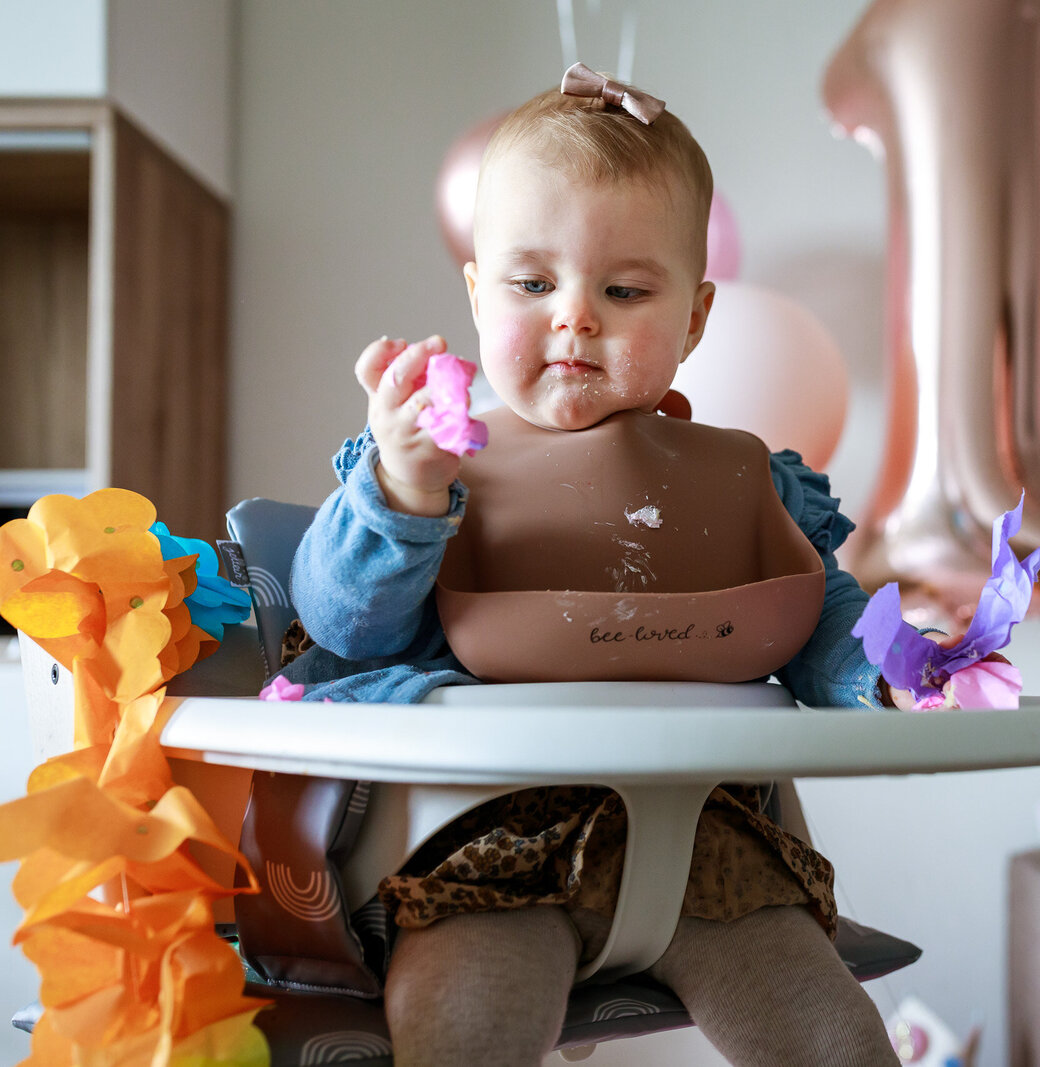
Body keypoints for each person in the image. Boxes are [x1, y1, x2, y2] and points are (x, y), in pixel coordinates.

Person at [276, 67, 902, 1066]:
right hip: (487, 851)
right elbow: (347, 623)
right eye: (533, 284)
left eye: (624, 289)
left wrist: (885, 669)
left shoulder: (745, 480)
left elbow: (820, 613)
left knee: (836, 1039)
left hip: (712, 848)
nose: (574, 316)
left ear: (694, 318)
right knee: (461, 1028)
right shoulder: (435, 461)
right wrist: (402, 493)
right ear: (478, 292)